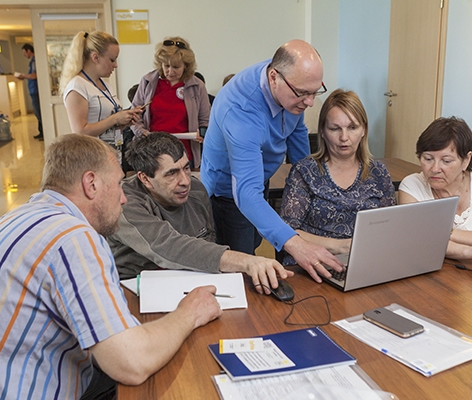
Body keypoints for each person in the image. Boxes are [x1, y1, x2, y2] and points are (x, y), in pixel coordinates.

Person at [0, 134, 222, 399]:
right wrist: (189, 312)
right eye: (117, 185)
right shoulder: (73, 237)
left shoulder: (14, 219)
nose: (124, 199)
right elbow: (131, 363)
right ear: (91, 184)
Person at [201, 39, 344, 283]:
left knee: (258, 238)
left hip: (259, 179)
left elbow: (297, 129)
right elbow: (246, 193)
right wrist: (296, 244)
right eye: (302, 93)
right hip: (229, 193)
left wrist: (310, 182)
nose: (310, 102)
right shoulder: (241, 110)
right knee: (244, 264)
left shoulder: (291, 81)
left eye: (315, 91)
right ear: (274, 77)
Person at [107, 132, 293, 294]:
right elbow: (166, 245)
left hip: (187, 282)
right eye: (172, 173)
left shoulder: (196, 190)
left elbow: (206, 243)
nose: (185, 181)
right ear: (145, 179)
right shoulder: (124, 201)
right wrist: (246, 261)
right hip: (134, 286)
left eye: (186, 168)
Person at [280, 89, 396, 264]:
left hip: (366, 262)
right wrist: (342, 246)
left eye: (352, 128)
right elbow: (286, 230)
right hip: (312, 262)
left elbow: (390, 227)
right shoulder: (305, 171)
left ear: (364, 129)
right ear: (322, 132)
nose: (344, 137)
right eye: (335, 128)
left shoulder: (378, 172)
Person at [59, 31, 142, 165]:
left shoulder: (105, 86)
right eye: (112, 60)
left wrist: (123, 122)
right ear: (95, 57)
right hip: (93, 159)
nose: (115, 65)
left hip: (111, 156)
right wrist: (115, 118)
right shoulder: (77, 86)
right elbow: (80, 131)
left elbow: (104, 125)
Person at [399, 116, 472, 259]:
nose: (435, 168)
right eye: (428, 159)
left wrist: (444, 233)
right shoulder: (412, 186)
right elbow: (421, 241)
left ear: (466, 160)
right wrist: (467, 252)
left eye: (446, 161)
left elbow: (430, 238)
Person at [131, 36, 209, 168]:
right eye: (166, 66)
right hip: (153, 151)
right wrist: (142, 133)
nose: (170, 71)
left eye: (176, 67)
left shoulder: (197, 86)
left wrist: (202, 133)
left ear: (186, 66)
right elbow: (134, 116)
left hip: (184, 152)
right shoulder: (148, 82)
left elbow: (205, 119)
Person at [17, 44, 43, 140]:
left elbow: (34, 75)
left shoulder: (34, 61)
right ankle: (41, 131)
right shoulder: (32, 62)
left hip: (36, 90)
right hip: (33, 89)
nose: (24, 55)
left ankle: (44, 132)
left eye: (24, 52)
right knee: (37, 112)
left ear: (28, 51)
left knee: (38, 112)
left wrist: (24, 76)